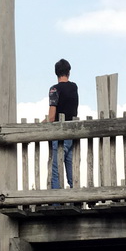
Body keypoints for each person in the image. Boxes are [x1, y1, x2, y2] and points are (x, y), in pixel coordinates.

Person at [46, 58, 79, 189]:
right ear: (68, 72)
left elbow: (52, 117)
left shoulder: (54, 89)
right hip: (71, 132)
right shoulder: (74, 87)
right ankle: (74, 193)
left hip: (59, 134)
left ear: (56, 73)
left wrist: (43, 123)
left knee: (56, 168)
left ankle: (56, 201)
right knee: (70, 164)